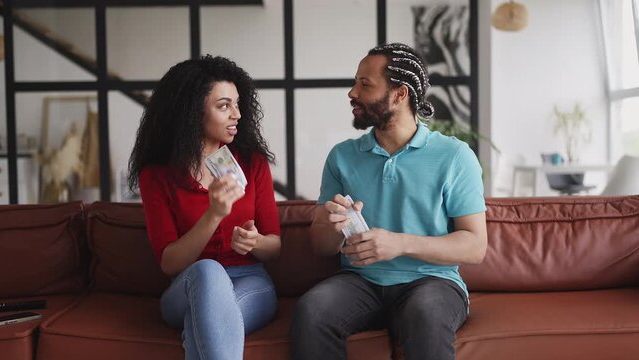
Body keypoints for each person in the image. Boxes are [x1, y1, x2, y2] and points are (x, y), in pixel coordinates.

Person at [290, 43, 488, 360]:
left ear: (399, 94)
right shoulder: (342, 157)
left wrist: (399, 244)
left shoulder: (454, 156)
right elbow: (321, 246)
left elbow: (474, 246)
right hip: (360, 282)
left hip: (432, 282)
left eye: (365, 84)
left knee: (425, 314)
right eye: (355, 82)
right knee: (312, 311)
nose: (352, 93)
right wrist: (331, 225)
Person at [127, 55, 281, 360]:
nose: (237, 114)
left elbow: (274, 246)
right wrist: (214, 215)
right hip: (187, 286)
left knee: (202, 324)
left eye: (237, 104)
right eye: (224, 106)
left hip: (250, 279)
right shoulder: (157, 176)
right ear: (191, 111)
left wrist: (256, 242)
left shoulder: (252, 165)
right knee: (208, 272)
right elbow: (170, 264)